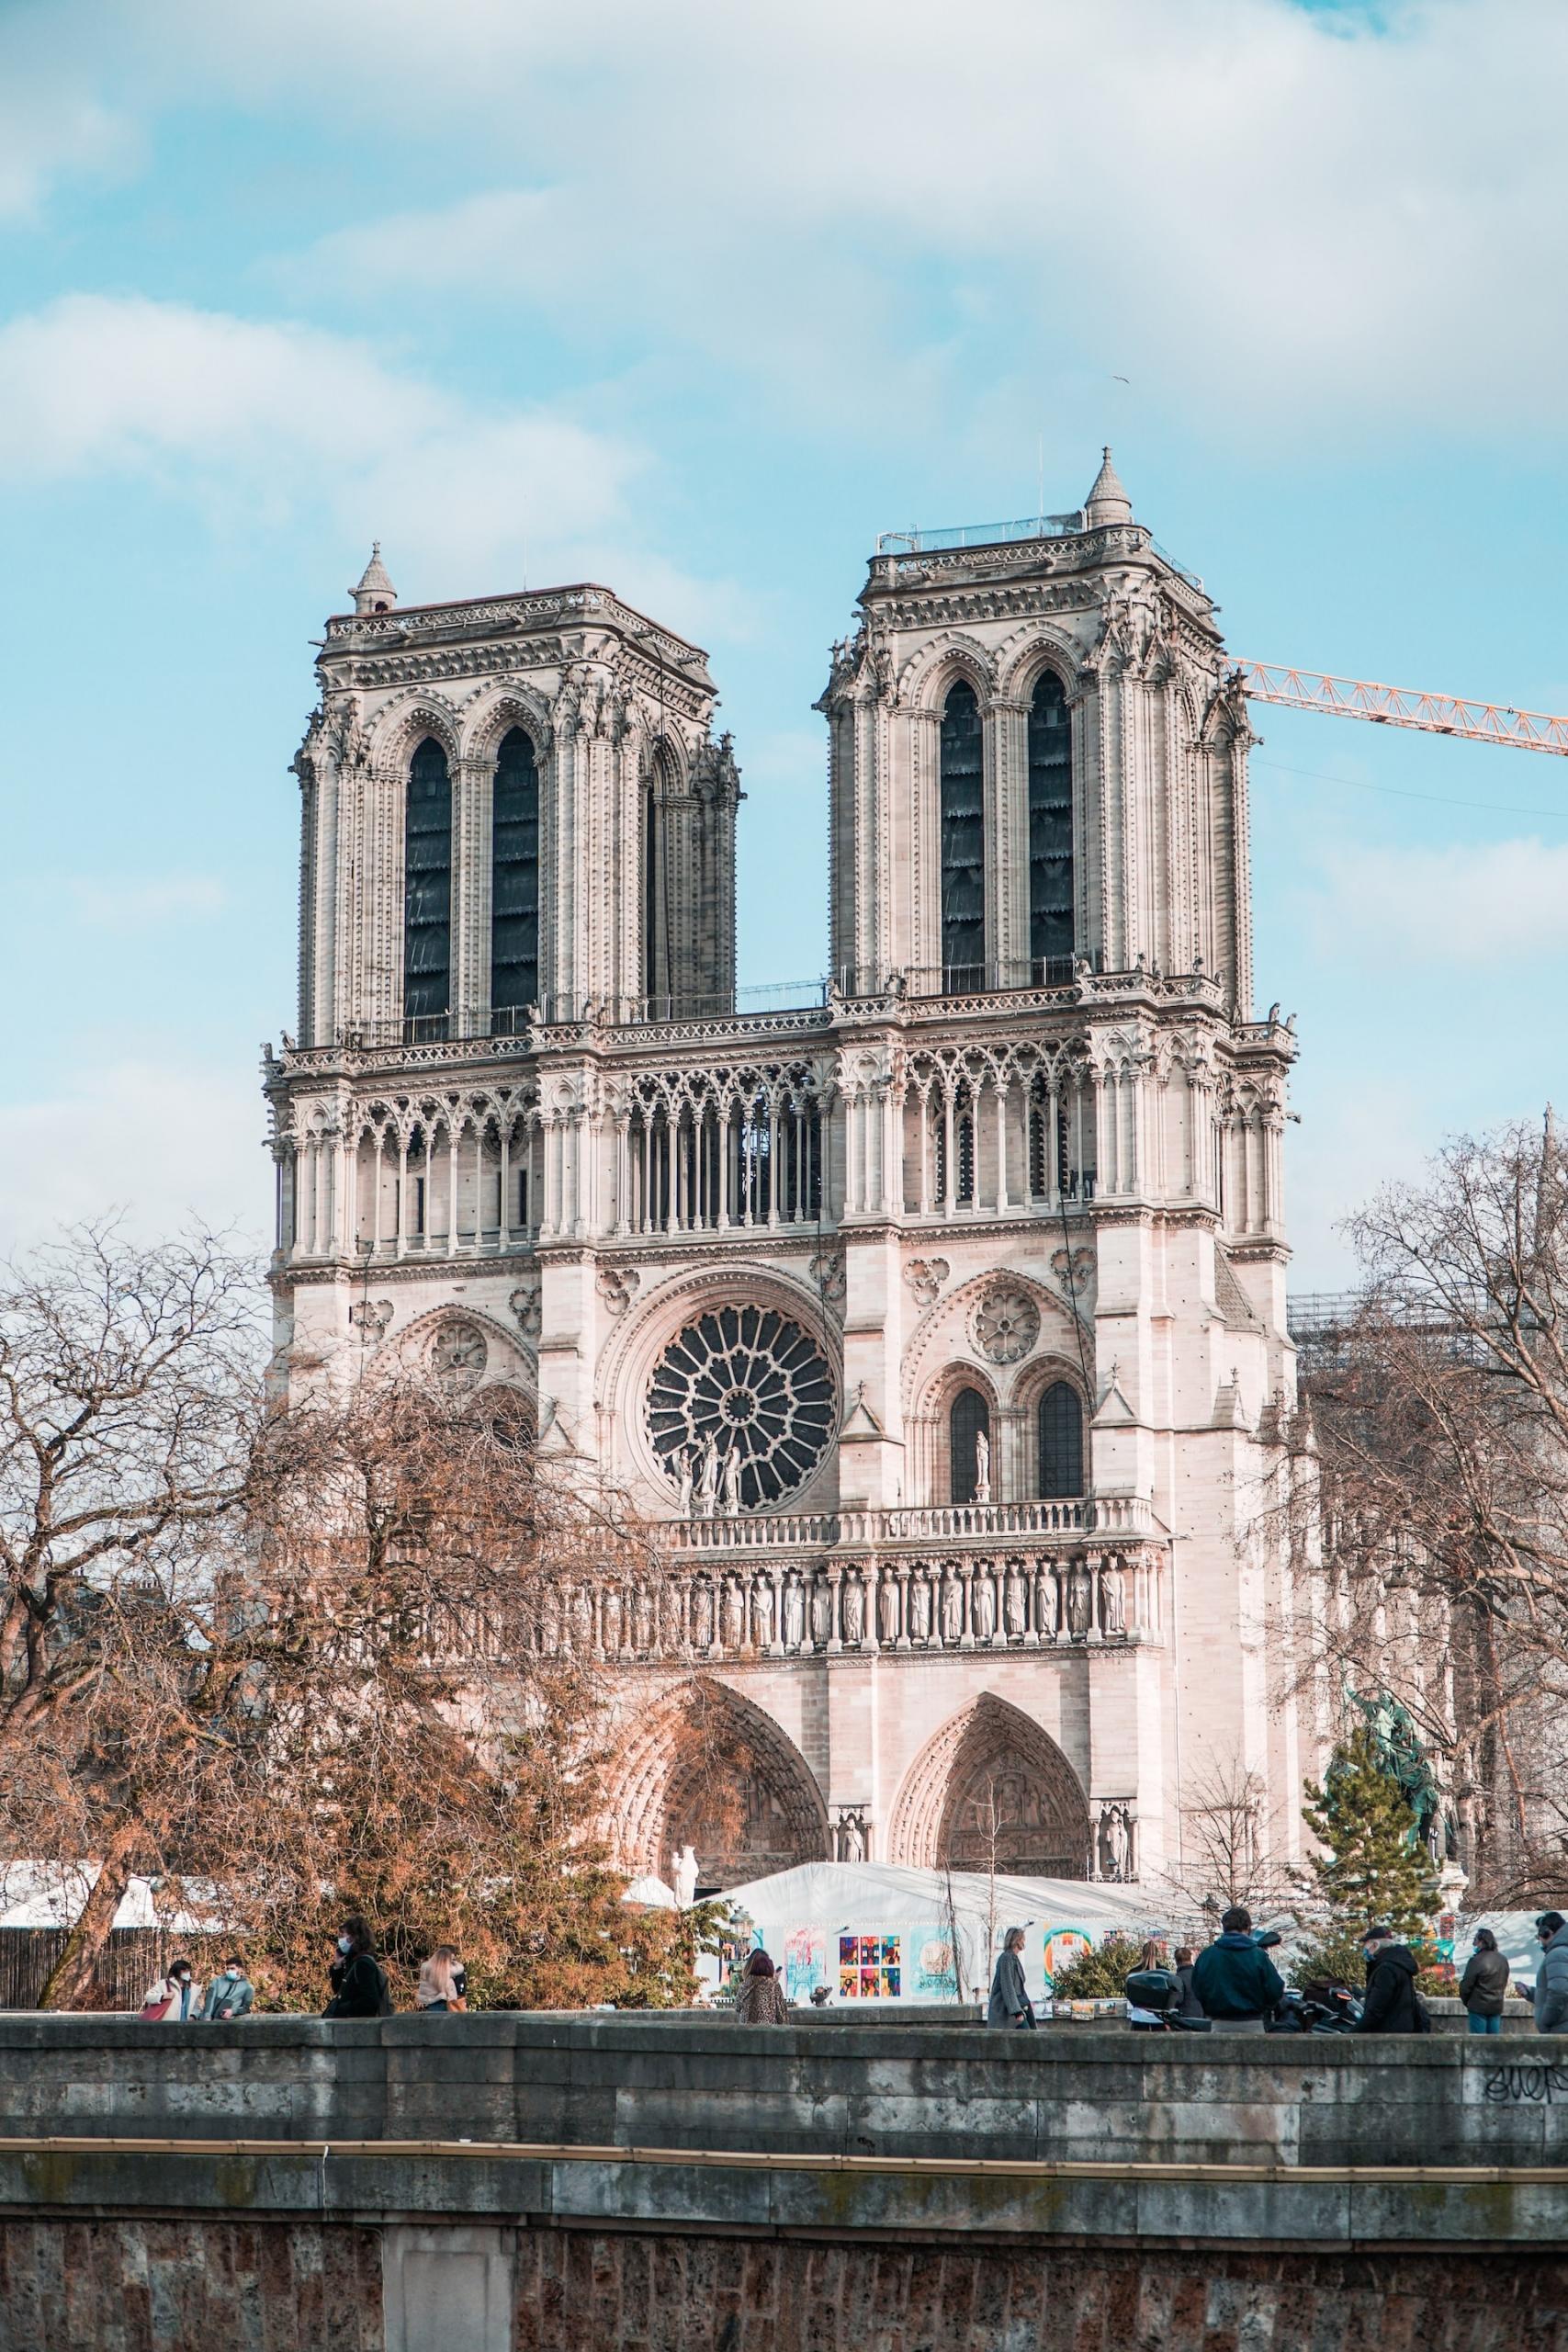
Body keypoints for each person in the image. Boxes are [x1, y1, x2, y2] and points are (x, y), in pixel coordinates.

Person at [1190, 1906, 1284, 2033]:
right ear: (1248, 1928)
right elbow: (1275, 1989)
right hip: (1253, 2022)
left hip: (1219, 2023)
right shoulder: (1258, 1956)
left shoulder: (1207, 1955)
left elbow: (1198, 1988)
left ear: (1224, 1927)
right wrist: (1264, 2007)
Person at [1357, 1924, 1427, 2033]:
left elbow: (1376, 2010)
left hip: (1388, 2033)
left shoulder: (1385, 1970)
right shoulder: (1399, 1964)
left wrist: (1352, 2034)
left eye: (1366, 1945)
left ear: (1375, 1945)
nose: (1364, 1950)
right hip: (1403, 2029)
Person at [323, 1917, 389, 2018]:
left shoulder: (363, 1964)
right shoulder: (353, 1961)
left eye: (344, 1935)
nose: (341, 1939)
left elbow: (370, 2000)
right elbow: (339, 1989)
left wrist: (343, 2008)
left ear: (353, 1938)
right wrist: (337, 1967)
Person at [1457, 1928, 1509, 2035]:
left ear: (1481, 1942)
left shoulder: (1476, 1960)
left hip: (1478, 2006)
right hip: (1496, 2005)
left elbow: (1466, 1985)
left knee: (1478, 2043)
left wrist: (1468, 2002)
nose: (1473, 1944)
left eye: (1475, 1940)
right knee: (1494, 2042)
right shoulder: (1503, 1960)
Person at [987, 1927, 1034, 2030]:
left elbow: (1019, 1987)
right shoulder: (1006, 1959)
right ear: (1016, 1940)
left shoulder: (1013, 1958)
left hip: (1016, 2009)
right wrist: (1017, 2012)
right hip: (1006, 2012)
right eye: (1022, 1939)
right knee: (1027, 2038)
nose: (1024, 1942)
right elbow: (1008, 1987)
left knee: (1030, 2038)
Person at [1529, 1911, 1568, 2033]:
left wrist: (1545, 2022)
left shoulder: (1557, 1955)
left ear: (1547, 1933)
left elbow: (1559, 1991)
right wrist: (1530, 1993)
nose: (1539, 1940)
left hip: (1559, 2028)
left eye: (1539, 1936)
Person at [731, 1948, 791, 2025]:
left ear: (749, 1966)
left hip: (747, 2034)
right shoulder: (773, 1985)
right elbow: (782, 2017)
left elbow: (737, 2007)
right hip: (768, 2034)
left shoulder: (745, 1985)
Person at [1125, 1939, 1175, 2031]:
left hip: (1139, 2017)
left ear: (1143, 1953)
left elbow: (1129, 1995)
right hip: (1159, 2017)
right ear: (1157, 1954)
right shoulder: (1165, 1972)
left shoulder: (1134, 1973)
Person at [139, 1955, 198, 2022]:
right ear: (177, 1971)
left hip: (186, 2026)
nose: (187, 1973)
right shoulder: (164, 1984)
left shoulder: (193, 1988)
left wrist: (193, 2016)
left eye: (188, 1971)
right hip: (167, 2025)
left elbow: (197, 2007)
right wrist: (162, 1996)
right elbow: (148, 1996)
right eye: (184, 1971)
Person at [199, 1956, 254, 2021]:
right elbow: (209, 1999)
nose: (229, 1971)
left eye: (232, 1968)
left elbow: (246, 2008)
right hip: (207, 2019)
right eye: (228, 1969)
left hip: (226, 2022)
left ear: (240, 1969)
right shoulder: (217, 1981)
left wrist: (232, 2011)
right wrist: (207, 2016)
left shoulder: (247, 1987)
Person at [415, 1946, 468, 2013]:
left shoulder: (426, 1968)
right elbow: (459, 1969)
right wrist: (454, 1961)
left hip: (430, 2003)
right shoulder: (447, 1971)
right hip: (445, 2002)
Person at [1172, 1946, 1204, 2021]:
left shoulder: (1178, 1977)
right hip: (1203, 2018)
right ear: (1190, 1958)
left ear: (1177, 1961)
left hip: (1185, 2019)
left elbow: (1178, 1999)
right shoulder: (1200, 1974)